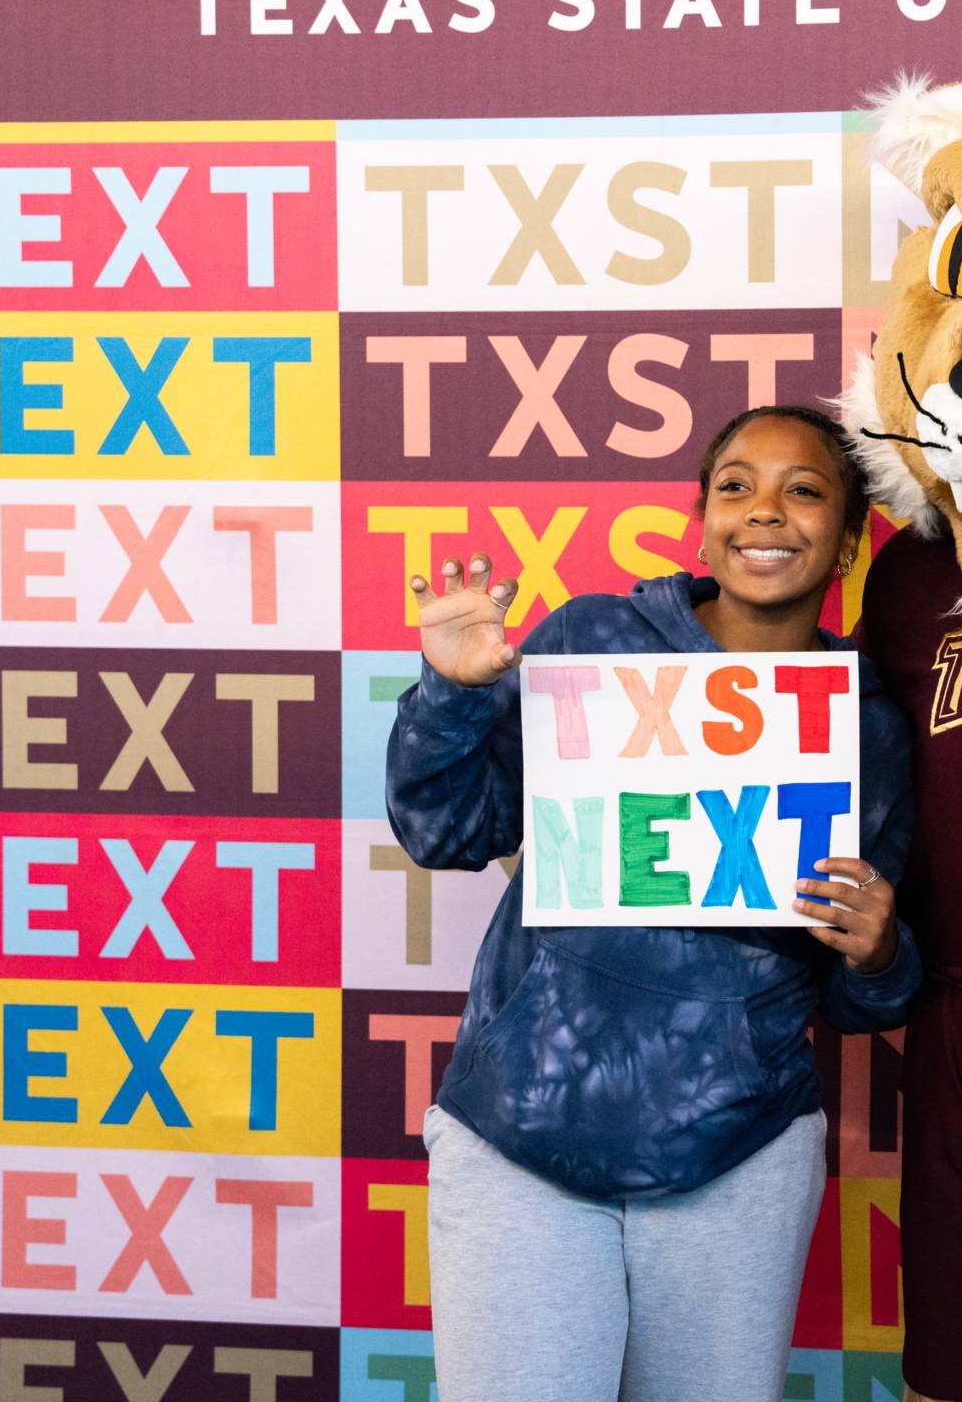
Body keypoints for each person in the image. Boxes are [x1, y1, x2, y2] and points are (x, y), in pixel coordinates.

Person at [386, 405, 921, 1402]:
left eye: (804, 490)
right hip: (520, 1137)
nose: (766, 511)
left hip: (739, 1158)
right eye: (736, 487)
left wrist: (878, 953)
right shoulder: (594, 636)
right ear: (704, 519)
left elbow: (860, 1003)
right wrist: (451, 696)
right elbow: (446, 833)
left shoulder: (869, 725)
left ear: (850, 538)